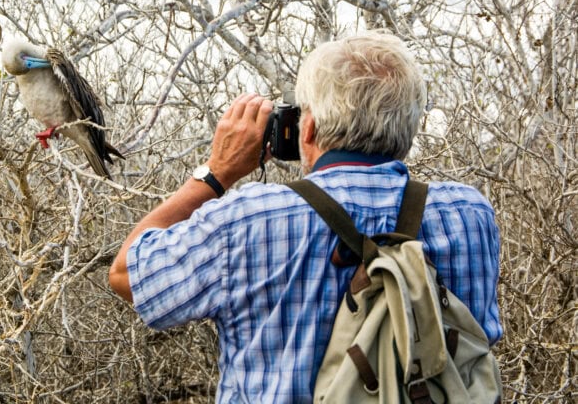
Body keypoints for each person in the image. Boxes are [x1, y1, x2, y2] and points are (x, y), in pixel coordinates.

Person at [109, 30, 502, 403]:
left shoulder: (248, 220)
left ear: (308, 127)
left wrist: (216, 173)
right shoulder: (468, 216)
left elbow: (128, 274)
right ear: (409, 128)